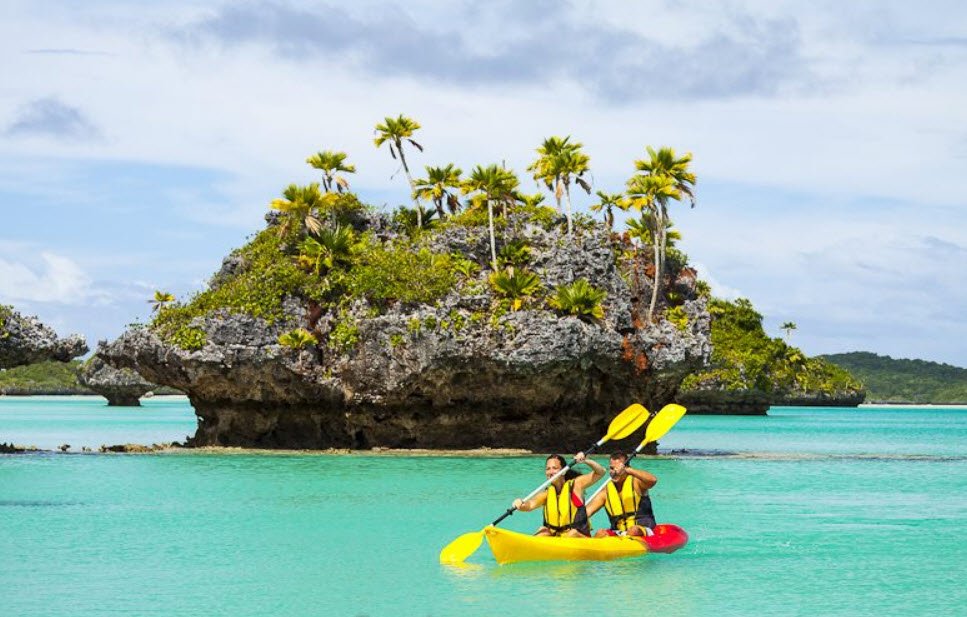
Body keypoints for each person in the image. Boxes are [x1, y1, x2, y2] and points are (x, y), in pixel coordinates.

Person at [512, 452, 606, 537]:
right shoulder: (547, 493)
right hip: (557, 537)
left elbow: (601, 472)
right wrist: (520, 504)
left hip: (578, 537)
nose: (551, 472)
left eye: (555, 468)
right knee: (542, 531)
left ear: (564, 471)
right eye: (548, 469)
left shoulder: (576, 485)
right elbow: (530, 505)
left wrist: (586, 461)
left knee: (571, 534)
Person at [586, 452, 657, 537]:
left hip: (642, 529)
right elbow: (587, 512)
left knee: (633, 530)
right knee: (600, 533)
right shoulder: (605, 492)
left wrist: (628, 470)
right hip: (618, 532)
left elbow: (653, 480)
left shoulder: (636, 483)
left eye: (618, 468)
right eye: (612, 468)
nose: (614, 472)